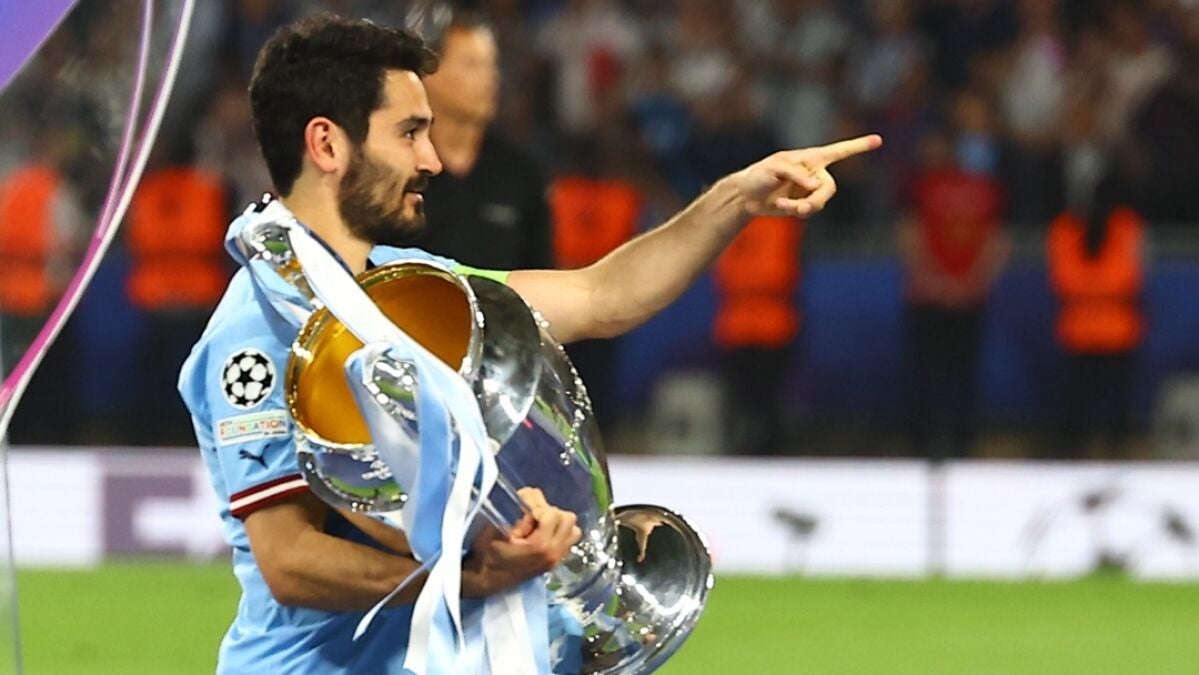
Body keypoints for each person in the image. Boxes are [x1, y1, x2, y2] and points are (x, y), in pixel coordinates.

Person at [178, 14, 879, 673]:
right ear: (327, 144)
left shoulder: (411, 283)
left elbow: (601, 297)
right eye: (409, 132)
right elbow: (290, 560)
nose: (432, 159)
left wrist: (736, 197)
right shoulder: (259, 329)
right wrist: (472, 576)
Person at [415, 12, 554, 271]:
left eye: (492, 65)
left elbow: (542, 272)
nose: (491, 79)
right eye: (472, 65)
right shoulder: (403, 170)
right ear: (429, 73)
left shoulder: (522, 175)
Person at [1047, 173, 1145, 458]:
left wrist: (1090, 288)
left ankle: (1115, 455)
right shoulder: (1064, 228)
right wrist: (1103, 287)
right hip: (1080, 333)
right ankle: (1074, 453)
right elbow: (1064, 280)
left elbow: (1129, 278)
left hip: (1117, 333)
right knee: (1076, 408)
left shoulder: (1126, 225)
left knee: (1116, 409)